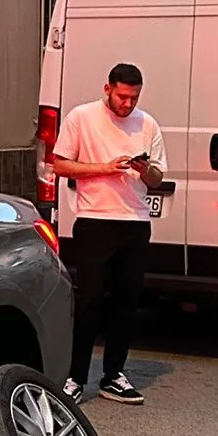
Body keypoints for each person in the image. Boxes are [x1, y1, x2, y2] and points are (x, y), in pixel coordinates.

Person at [52, 62, 166, 405]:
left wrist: (145, 170)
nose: (127, 104)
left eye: (133, 98)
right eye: (122, 97)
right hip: (95, 219)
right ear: (107, 89)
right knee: (89, 301)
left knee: (126, 302)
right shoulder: (81, 117)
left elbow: (158, 178)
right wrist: (106, 167)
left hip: (135, 221)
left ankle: (113, 374)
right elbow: (60, 164)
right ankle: (75, 377)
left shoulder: (147, 124)